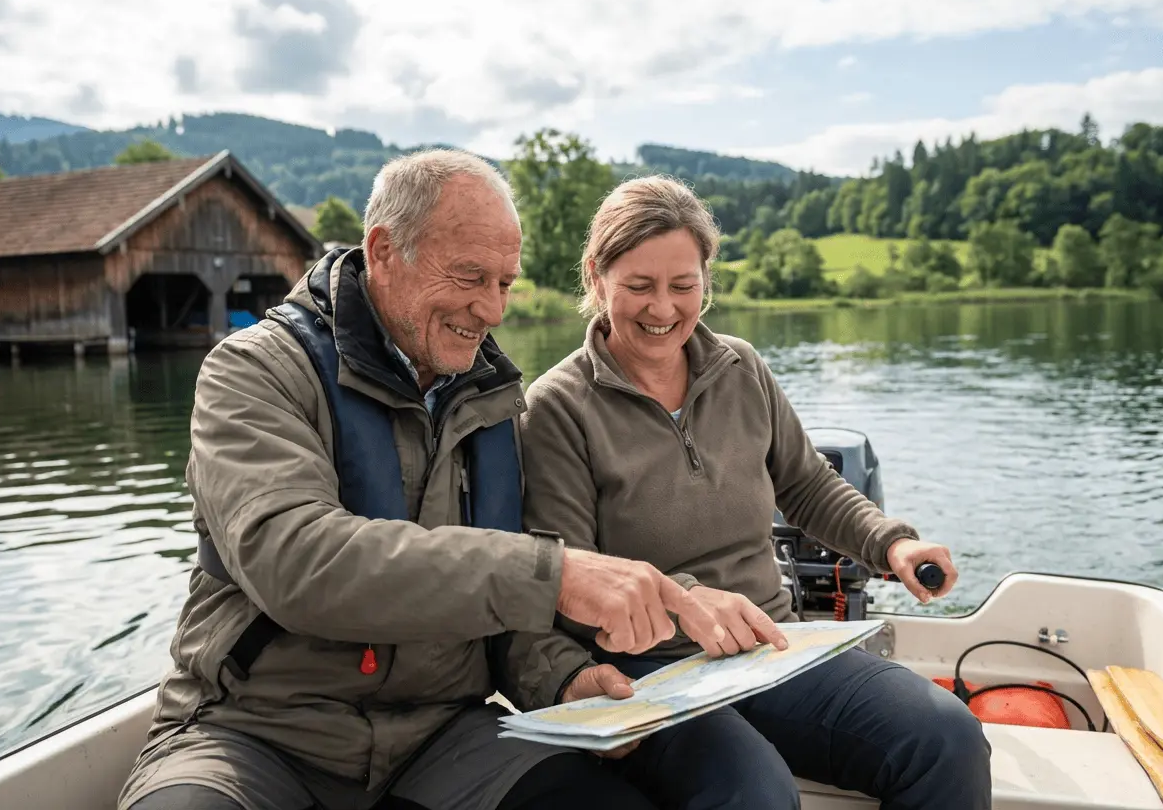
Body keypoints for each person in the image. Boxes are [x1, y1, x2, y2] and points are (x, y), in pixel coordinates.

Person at [116, 151, 733, 810]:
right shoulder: (251, 374)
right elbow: (296, 560)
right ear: (384, 251)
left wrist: (563, 682)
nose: (491, 309)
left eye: (505, 282)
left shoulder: (494, 398)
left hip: (440, 734)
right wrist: (558, 574)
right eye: (470, 275)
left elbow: (507, 620)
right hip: (252, 735)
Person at [514, 175, 993, 810]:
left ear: (706, 279)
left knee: (946, 736)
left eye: (683, 285)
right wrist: (684, 599)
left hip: (770, 645)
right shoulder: (556, 408)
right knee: (754, 793)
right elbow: (570, 579)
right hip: (646, 673)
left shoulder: (741, 368)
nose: (663, 309)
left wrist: (891, 543)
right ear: (596, 277)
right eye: (638, 286)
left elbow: (806, 483)